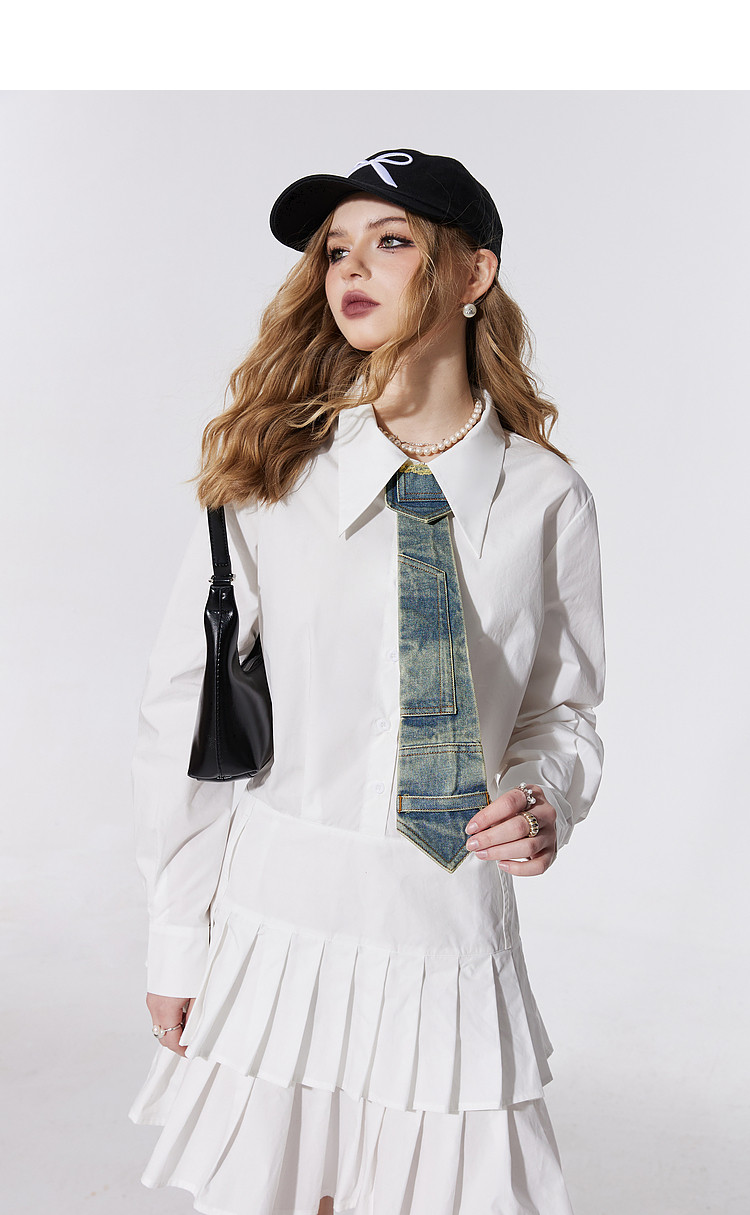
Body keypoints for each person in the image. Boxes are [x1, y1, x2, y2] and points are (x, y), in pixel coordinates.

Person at [128, 147, 606, 1215]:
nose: (351, 266)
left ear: (474, 272)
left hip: (445, 928)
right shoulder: (270, 477)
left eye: (391, 241)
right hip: (276, 920)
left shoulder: (546, 497)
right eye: (336, 248)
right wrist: (178, 935)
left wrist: (544, 799)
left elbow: (562, 710)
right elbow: (185, 720)